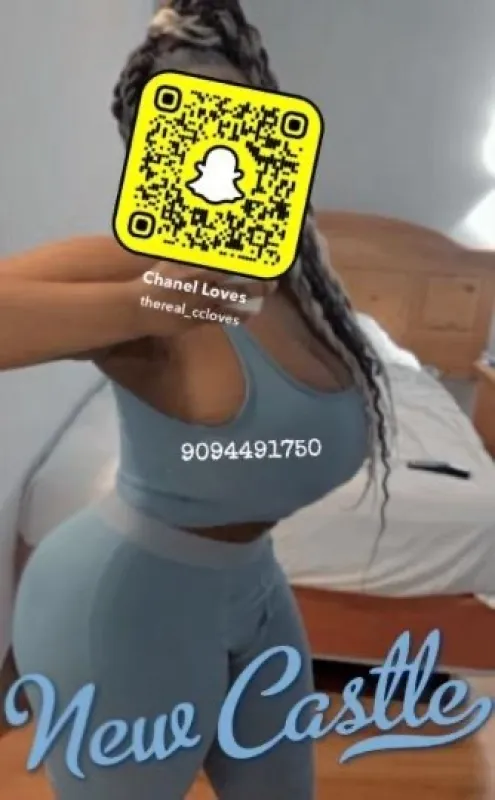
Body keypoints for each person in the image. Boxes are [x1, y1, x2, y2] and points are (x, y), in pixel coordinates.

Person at [8, 1, 393, 798]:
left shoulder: (304, 284)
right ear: (149, 146)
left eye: (237, 109)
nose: (218, 142)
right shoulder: (135, 268)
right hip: (123, 600)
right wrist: (143, 305)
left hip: (252, 585)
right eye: (184, 116)